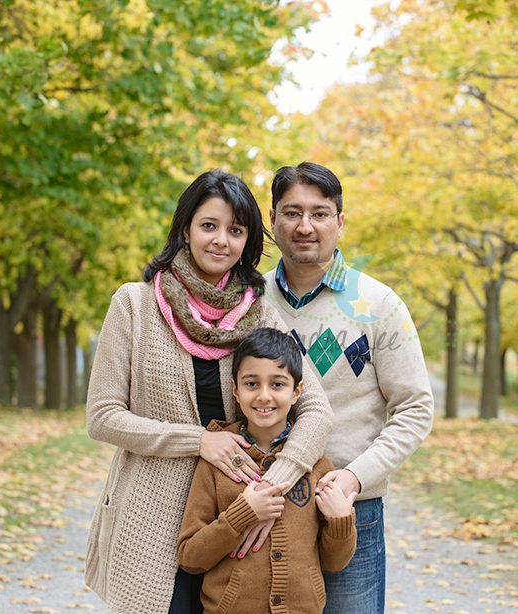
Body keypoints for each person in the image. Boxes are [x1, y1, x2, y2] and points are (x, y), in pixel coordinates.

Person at [84, 170, 333, 614]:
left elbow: (316, 409)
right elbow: (102, 416)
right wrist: (199, 441)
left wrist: (271, 493)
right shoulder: (134, 305)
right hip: (150, 515)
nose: (221, 240)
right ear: (185, 229)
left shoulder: (259, 313)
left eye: (235, 230)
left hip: (234, 518)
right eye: (209, 225)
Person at [257, 161, 434, 613]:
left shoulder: (378, 304)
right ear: (273, 222)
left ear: (340, 222)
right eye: (291, 213)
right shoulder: (249, 301)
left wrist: (357, 477)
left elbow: (414, 408)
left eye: (319, 213)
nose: (305, 226)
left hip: (349, 509)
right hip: (263, 506)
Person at [176, 327, 357, 613]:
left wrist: (341, 519)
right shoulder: (216, 463)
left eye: (277, 384)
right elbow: (191, 558)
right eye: (251, 384)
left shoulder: (315, 464)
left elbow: (334, 563)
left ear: (297, 391)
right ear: (235, 390)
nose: (263, 396)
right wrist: (241, 514)